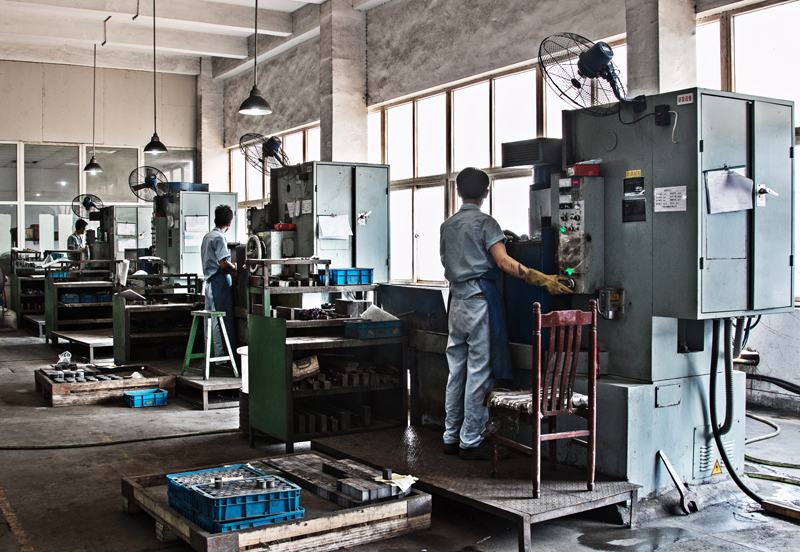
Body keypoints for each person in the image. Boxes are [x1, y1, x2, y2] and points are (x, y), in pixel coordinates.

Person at [439, 167, 572, 460]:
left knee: (456, 372)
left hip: (456, 303)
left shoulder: (447, 226)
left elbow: (450, 261)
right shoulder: (487, 223)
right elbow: (503, 262)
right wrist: (542, 278)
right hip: (479, 302)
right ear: (486, 193)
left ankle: (450, 436)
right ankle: (470, 442)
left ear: (458, 191)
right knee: (478, 374)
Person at [201, 205, 237, 366]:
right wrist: (234, 267)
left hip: (209, 282)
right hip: (218, 283)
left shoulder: (207, 236)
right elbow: (223, 263)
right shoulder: (220, 238)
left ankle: (211, 354)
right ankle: (220, 358)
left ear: (215, 219)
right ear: (229, 223)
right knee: (218, 320)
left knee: (209, 320)